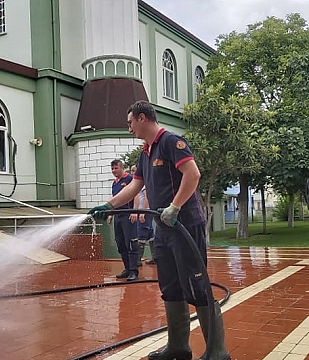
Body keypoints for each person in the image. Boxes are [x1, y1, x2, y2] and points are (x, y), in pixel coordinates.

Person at [89, 100, 230, 360]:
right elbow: (135, 187)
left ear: (142, 118)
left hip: (184, 224)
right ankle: (178, 346)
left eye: (130, 122)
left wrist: (175, 207)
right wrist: (109, 205)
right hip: (163, 228)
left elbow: (193, 174)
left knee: (197, 285)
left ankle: (217, 352)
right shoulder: (145, 152)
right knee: (171, 287)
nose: (129, 127)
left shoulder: (170, 142)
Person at [108, 159, 140, 281]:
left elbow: (135, 194)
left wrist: (134, 211)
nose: (114, 171)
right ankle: (127, 268)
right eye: (112, 169)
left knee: (131, 243)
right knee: (120, 243)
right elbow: (115, 199)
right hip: (118, 215)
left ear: (122, 168)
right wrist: (111, 213)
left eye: (116, 168)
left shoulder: (130, 179)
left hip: (128, 215)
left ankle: (133, 271)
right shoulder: (115, 183)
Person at [130, 164, 155, 266]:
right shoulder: (135, 183)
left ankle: (137, 260)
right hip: (144, 211)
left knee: (141, 234)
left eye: (134, 170)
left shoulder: (142, 183)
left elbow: (146, 197)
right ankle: (155, 257)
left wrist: (142, 212)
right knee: (150, 234)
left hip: (144, 211)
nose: (133, 173)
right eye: (131, 171)